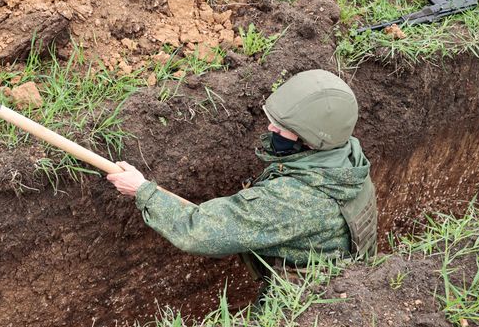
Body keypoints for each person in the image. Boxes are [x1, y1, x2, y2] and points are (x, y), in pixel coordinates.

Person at [107, 69, 377, 281]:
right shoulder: (348, 159)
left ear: (309, 139)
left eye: (282, 128)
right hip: (343, 274)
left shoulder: (295, 201)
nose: (271, 127)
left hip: (310, 301)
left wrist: (142, 190)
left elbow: (201, 232)